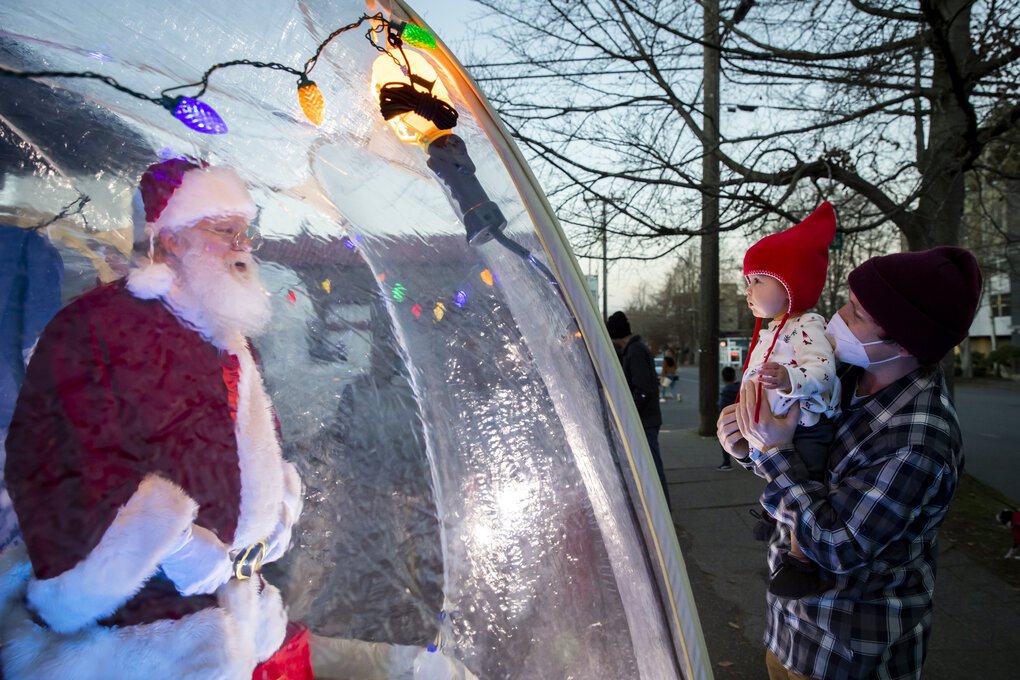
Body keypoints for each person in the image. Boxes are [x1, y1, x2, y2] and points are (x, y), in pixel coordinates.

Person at [0, 158, 304, 677]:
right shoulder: (97, 327)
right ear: (170, 239)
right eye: (223, 229)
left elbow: (258, 442)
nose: (242, 244)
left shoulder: (233, 343)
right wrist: (173, 543)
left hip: (230, 612)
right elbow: (54, 458)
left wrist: (273, 510)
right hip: (128, 633)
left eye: (244, 230)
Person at [717, 246, 981, 680]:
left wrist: (775, 453)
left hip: (845, 651)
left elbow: (836, 545)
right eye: (848, 300)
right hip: (789, 629)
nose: (838, 315)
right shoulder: (843, 374)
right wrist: (749, 444)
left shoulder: (919, 438)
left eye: (857, 313)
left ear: (905, 341)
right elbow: (803, 470)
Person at [740, 202, 841, 598]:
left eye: (758, 280)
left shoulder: (808, 327)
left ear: (791, 283)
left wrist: (789, 378)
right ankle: (771, 509)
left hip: (809, 431)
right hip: (778, 428)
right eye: (747, 281)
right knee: (780, 472)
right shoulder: (771, 331)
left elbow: (823, 371)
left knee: (807, 486)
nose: (748, 291)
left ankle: (800, 559)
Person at [606, 310, 670, 510]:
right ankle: (660, 509)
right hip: (647, 418)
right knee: (650, 466)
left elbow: (642, 389)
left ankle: (662, 510)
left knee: (652, 467)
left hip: (645, 420)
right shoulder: (635, 349)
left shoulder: (635, 352)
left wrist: (629, 413)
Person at [717, 365, 740, 471]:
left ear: (723, 378)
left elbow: (722, 406)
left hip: (731, 420)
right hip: (744, 418)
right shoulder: (741, 387)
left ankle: (726, 462)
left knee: (726, 439)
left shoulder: (726, 391)